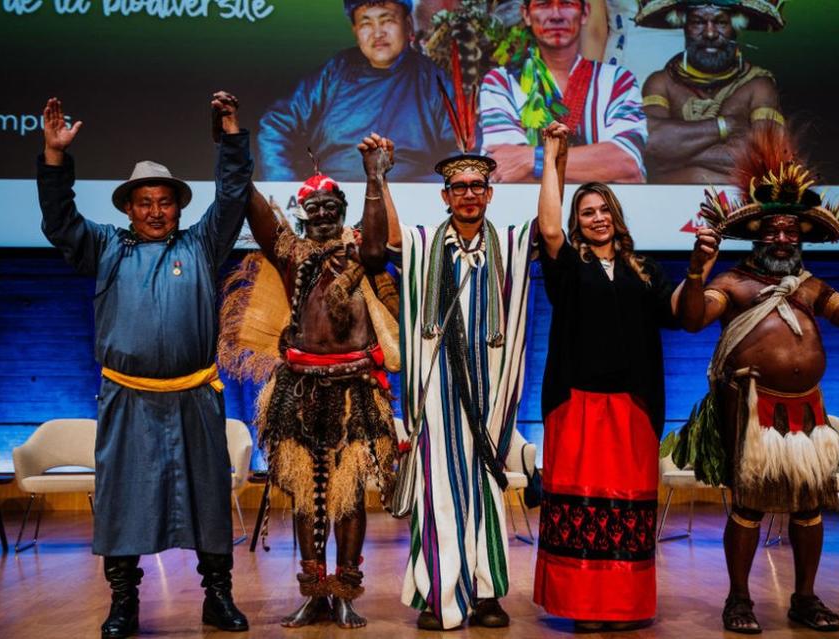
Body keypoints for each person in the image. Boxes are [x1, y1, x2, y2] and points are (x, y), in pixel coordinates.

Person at [678, 128, 839, 633]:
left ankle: (805, 598)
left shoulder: (810, 288)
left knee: (810, 504)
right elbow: (692, 319)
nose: (783, 238)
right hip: (751, 408)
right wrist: (699, 271)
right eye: (773, 231)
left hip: (806, 409)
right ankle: (739, 600)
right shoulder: (734, 283)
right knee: (749, 505)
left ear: (803, 237)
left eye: (792, 231)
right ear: (757, 236)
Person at [37, 93, 254, 638]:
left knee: (207, 496)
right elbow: (60, 222)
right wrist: (55, 158)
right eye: (144, 202)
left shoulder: (202, 246)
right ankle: (124, 604)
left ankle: (218, 599)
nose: (156, 211)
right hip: (127, 399)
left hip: (194, 397)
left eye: (165, 202)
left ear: (178, 207)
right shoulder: (105, 249)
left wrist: (230, 135)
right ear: (128, 209)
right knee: (123, 499)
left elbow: (231, 197)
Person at [219, 142, 400, 629]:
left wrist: (374, 177)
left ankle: (344, 590)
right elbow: (259, 219)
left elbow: (380, 247)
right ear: (302, 216)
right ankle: (313, 591)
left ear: (342, 212)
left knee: (349, 496)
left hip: (353, 390)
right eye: (313, 210)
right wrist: (236, 159)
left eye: (330, 209)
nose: (321, 217)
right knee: (305, 494)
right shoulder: (292, 258)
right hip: (299, 391)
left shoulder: (359, 255)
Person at [367, 133, 537, 630]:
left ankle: (485, 595)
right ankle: (437, 592)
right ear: (444, 195)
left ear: (489, 193)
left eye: (477, 186)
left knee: (484, 491)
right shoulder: (422, 244)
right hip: (436, 394)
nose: (467, 194)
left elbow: (548, 229)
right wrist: (378, 174)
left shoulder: (507, 245)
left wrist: (557, 160)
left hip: (490, 397)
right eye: (458, 186)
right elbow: (388, 239)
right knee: (437, 490)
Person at [533, 121, 680, 631]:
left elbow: (678, 309)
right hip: (577, 402)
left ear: (617, 217)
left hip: (633, 406)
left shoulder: (645, 268)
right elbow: (549, 228)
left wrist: (703, 268)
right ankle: (581, 609)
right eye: (586, 212)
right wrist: (553, 156)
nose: (596, 218)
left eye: (603, 210)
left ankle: (623, 607)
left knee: (626, 514)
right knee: (582, 508)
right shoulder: (569, 266)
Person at [257, 0, 457, 182]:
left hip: (407, 206)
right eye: (366, 23)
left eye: (387, 20)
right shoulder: (335, 72)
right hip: (332, 205)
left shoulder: (433, 81)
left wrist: (422, 195)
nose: (377, 33)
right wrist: (289, 189)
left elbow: (463, 153)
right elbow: (276, 125)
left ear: (407, 24)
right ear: (355, 31)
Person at [480, 0, 647, 183]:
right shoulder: (501, 82)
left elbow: (625, 163)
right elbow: (505, 170)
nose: (556, 15)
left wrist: (531, 159)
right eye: (543, 5)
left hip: (602, 212)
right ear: (526, 15)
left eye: (567, 3)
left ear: (584, 14)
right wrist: (598, 168)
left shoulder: (618, 81)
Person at [636, 0, 786, 184]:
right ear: (684, 25)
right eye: (698, 22)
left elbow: (766, 158)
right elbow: (650, 145)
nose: (710, 33)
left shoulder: (758, 86)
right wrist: (727, 125)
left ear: (736, 26)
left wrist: (675, 153)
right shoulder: (661, 82)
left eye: (721, 22)